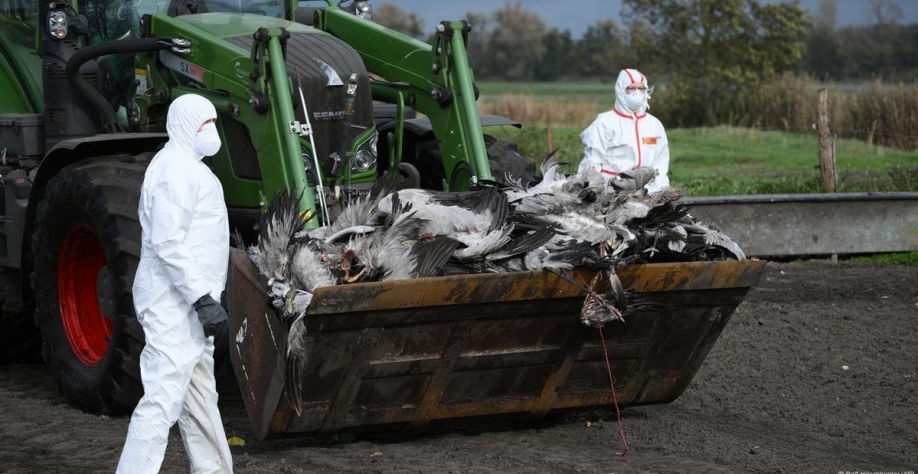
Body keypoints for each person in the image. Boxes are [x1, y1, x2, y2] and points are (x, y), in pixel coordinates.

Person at [117, 93, 233, 473]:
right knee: (161, 401)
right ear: (184, 126)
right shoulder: (174, 172)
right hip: (173, 306)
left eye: (213, 122)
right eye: (204, 124)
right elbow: (168, 242)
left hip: (189, 308)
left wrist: (206, 299)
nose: (211, 130)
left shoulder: (190, 167)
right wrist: (202, 299)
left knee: (200, 397)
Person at [578, 68, 671, 193]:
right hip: (612, 189)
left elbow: (661, 161)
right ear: (621, 90)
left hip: (648, 190)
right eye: (631, 88)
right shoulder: (604, 122)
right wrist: (588, 189)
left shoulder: (654, 124)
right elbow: (592, 160)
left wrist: (660, 187)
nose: (637, 93)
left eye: (641, 88)